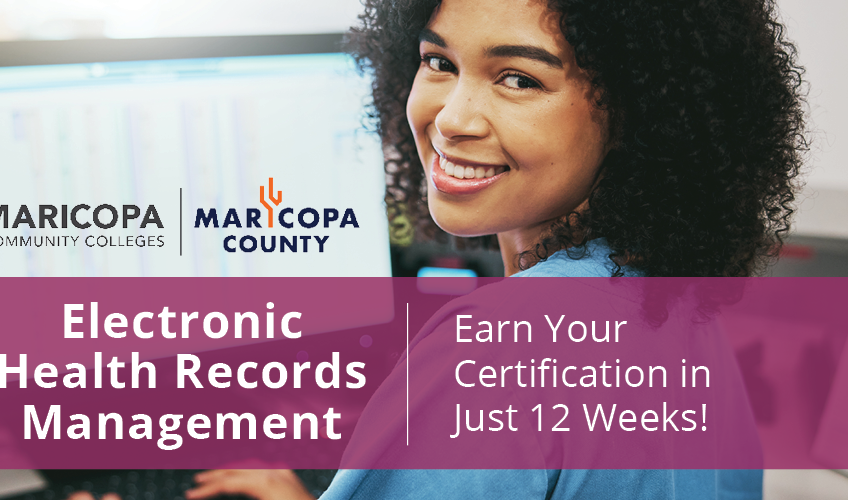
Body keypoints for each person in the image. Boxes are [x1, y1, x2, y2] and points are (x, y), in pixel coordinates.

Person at [72, 0, 805, 497]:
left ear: (638, 114)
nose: (451, 118)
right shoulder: (669, 305)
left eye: (518, 78)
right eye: (439, 62)